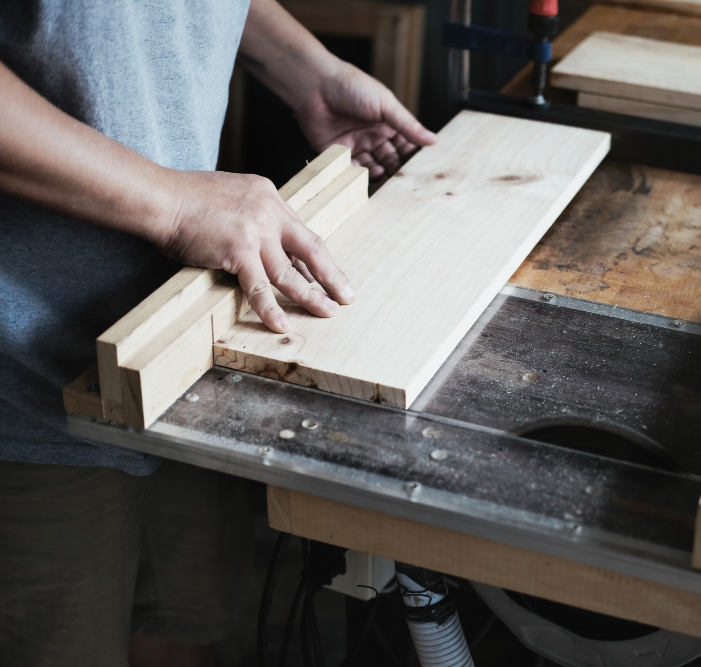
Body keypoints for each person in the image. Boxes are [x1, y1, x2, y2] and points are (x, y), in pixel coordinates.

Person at [0, 0, 436, 665]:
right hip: (26, 369)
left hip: (194, 331)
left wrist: (305, 71)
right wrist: (172, 202)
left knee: (183, 627)